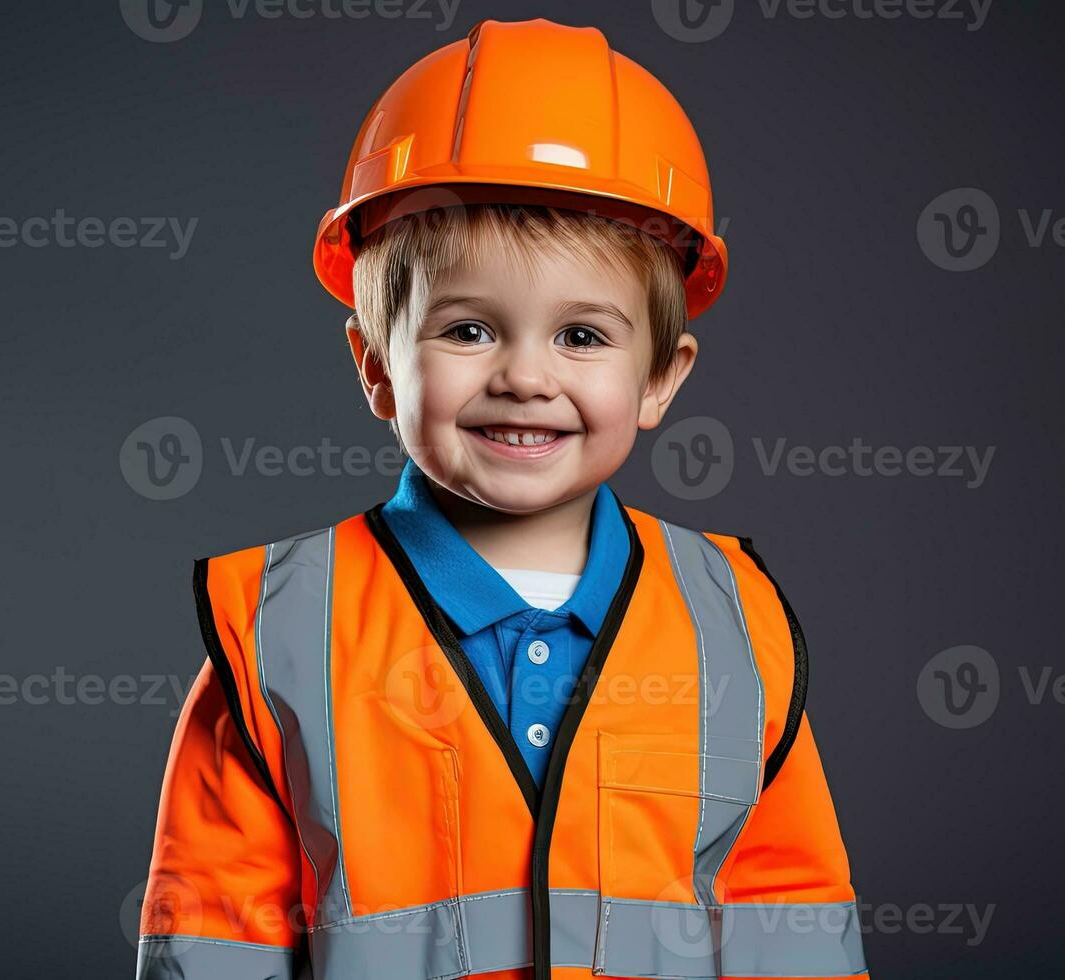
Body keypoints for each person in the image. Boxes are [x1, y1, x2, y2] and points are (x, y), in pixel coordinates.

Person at [135, 17, 868, 980]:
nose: (526, 377)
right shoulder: (277, 632)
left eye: (582, 338)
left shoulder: (732, 620)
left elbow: (790, 916)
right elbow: (214, 937)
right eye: (471, 329)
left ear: (661, 378)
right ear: (376, 367)